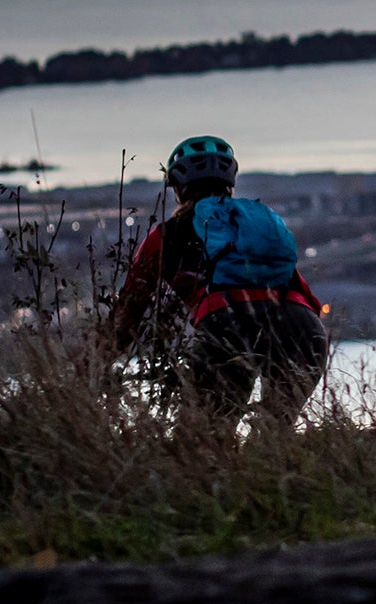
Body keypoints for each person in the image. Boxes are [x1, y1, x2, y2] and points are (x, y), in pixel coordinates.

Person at [110, 135, 329, 433]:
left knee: (204, 440)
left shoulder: (166, 236)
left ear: (178, 189)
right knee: (274, 437)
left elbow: (128, 312)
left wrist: (96, 362)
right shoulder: (254, 225)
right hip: (305, 330)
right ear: (230, 182)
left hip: (229, 325)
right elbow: (305, 299)